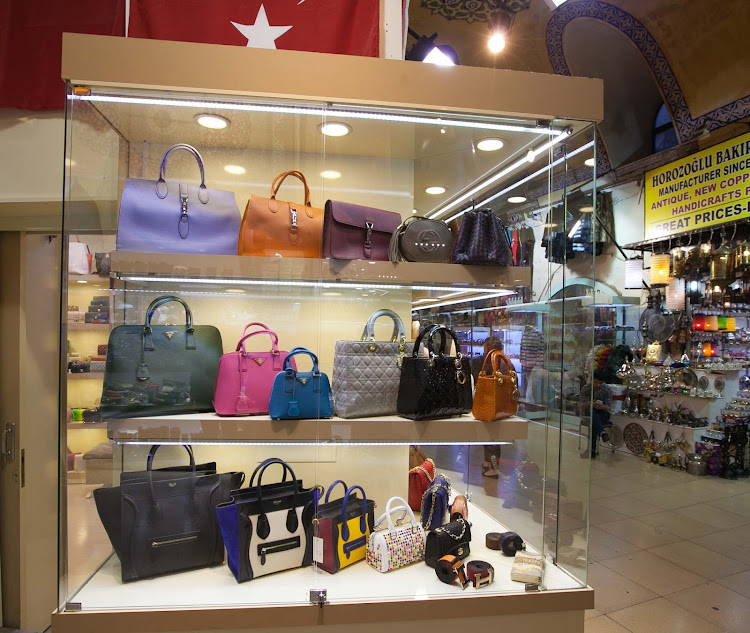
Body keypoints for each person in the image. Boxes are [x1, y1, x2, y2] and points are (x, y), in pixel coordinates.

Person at [472, 336, 507, 478]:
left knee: (492, 437)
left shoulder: (496, 363)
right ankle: (488, 462)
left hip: (493, 404)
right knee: (489, 435)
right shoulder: (503, 361)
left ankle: (493, 467)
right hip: (496, 404)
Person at [582, 369, 612, 458]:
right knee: (593, 416)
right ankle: (602, 432)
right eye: (596, 382)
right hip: (589, 414)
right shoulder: (586, 389)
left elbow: (608, 407)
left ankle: (591, 450)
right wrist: (590, 403)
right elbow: (581, 406)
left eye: (600, 383)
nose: (598, 385)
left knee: (594, 421)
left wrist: (601, 406)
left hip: (603, 415)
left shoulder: (607, 390)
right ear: (592, 380)